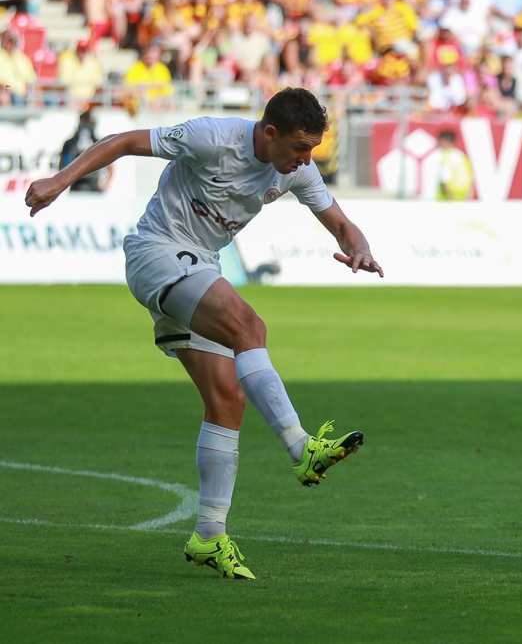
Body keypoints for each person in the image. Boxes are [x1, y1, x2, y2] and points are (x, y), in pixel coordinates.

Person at [25, 88, 384, 579]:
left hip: (199, 267)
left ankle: (208, 536)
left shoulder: (296, 168)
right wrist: (60, 180)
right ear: (270, 133)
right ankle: (301, 447)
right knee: (249, 326)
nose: (307, 160)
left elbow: (341, 223)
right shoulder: (211, 137)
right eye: (301, 148)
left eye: (312, 150)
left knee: (227, 400)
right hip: (158, 251)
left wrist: (360, 247)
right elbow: (124, 141)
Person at [435, 129, 473, 200]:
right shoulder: (463, 157)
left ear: (445, 141)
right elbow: (470, 180)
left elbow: (445, 181)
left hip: (448, 199)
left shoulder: (445, 158)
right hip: (462, 199)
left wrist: (452, 199)